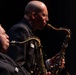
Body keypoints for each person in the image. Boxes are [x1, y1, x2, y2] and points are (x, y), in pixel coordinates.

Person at [7, 1, 65, 75]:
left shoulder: (30, 31)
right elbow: (16, 67)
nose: (47, 19)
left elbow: (29, 66)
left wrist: (49, 63)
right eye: (44, 15)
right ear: (33, 15)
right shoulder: (20, 30)